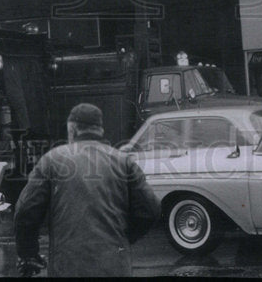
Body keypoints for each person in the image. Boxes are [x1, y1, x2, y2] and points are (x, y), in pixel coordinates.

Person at [14, 102, 160, 277]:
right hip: (114, 266)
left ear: (72, 129)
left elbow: (25, 211)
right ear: (100, 131)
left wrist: (28, 254)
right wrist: (124, 237)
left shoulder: (51, 160)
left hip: (68, 267)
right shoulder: (123, 161)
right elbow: (151, 210)